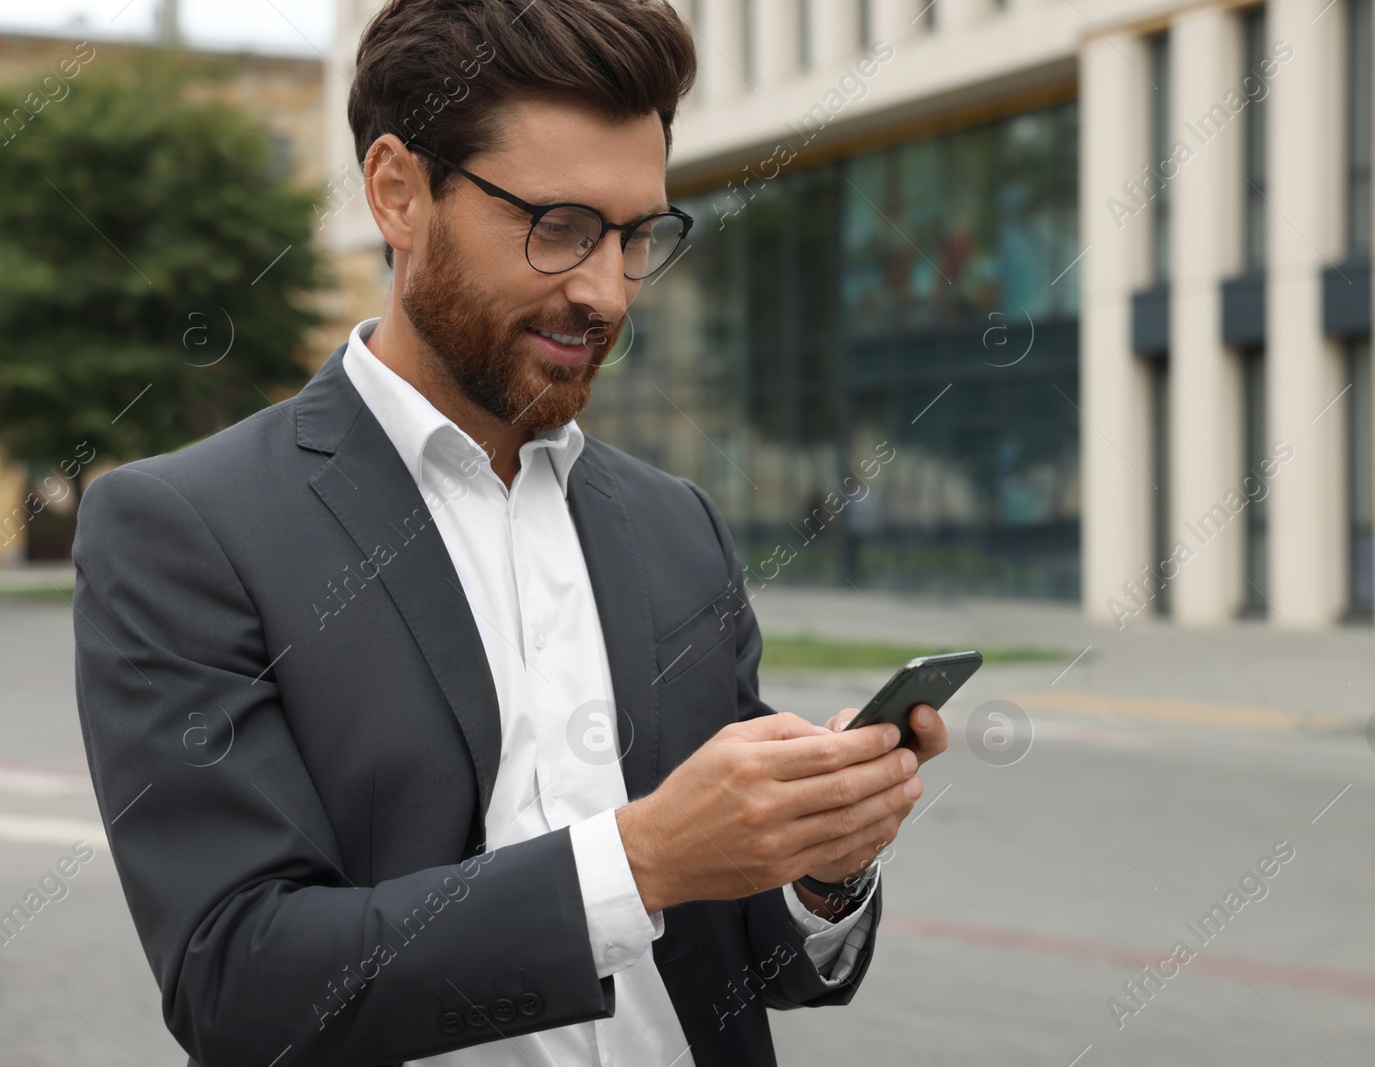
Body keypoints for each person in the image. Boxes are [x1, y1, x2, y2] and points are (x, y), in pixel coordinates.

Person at [69, 2, 947, 1065]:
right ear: (397, 192)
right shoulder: (188, 527)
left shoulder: (676, 525)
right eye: (560, 226)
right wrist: (640, 860)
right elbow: (239, 982)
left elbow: (754, 954)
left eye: (636, 236)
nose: (604, 290)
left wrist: (817, 859)